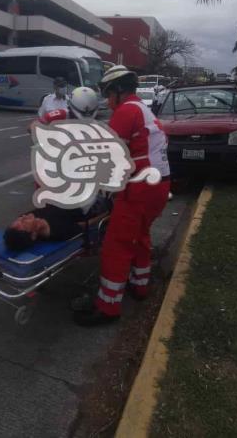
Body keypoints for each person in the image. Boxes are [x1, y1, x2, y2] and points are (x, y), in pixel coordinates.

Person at [74, 66, 170, 327]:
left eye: (108, 94)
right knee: (140, 238)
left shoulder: (126, 111)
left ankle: (107, 307)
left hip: (139, 190)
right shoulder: (143, 109)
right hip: (157, 186)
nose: (107, 101)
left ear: (117, 91)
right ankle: (139, 286)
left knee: (116, 246)